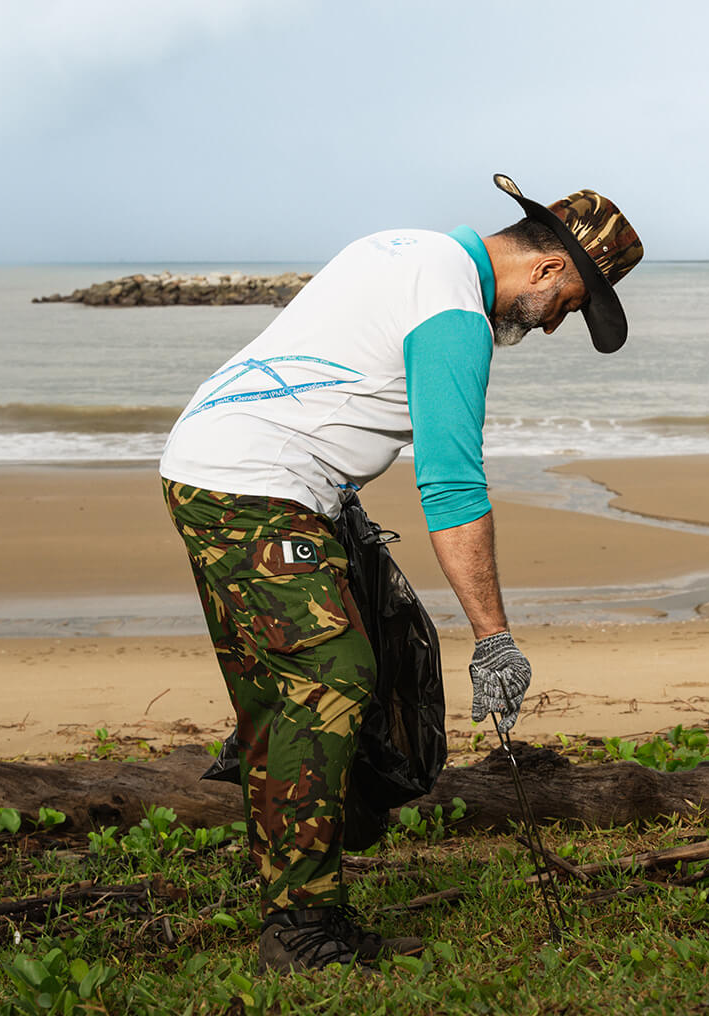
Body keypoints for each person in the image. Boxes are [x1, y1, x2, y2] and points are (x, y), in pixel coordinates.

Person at [159, 174, 643, 972]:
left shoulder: (406, 248)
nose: (557, 326)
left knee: (284, 697)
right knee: (332, 677)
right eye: (571, 306)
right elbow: (451, 484)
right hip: (253, 483)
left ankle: (302, 912)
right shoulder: (454, 313)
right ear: (551, 271)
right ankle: (299, 932)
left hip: (220, 469)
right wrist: (494, 641)